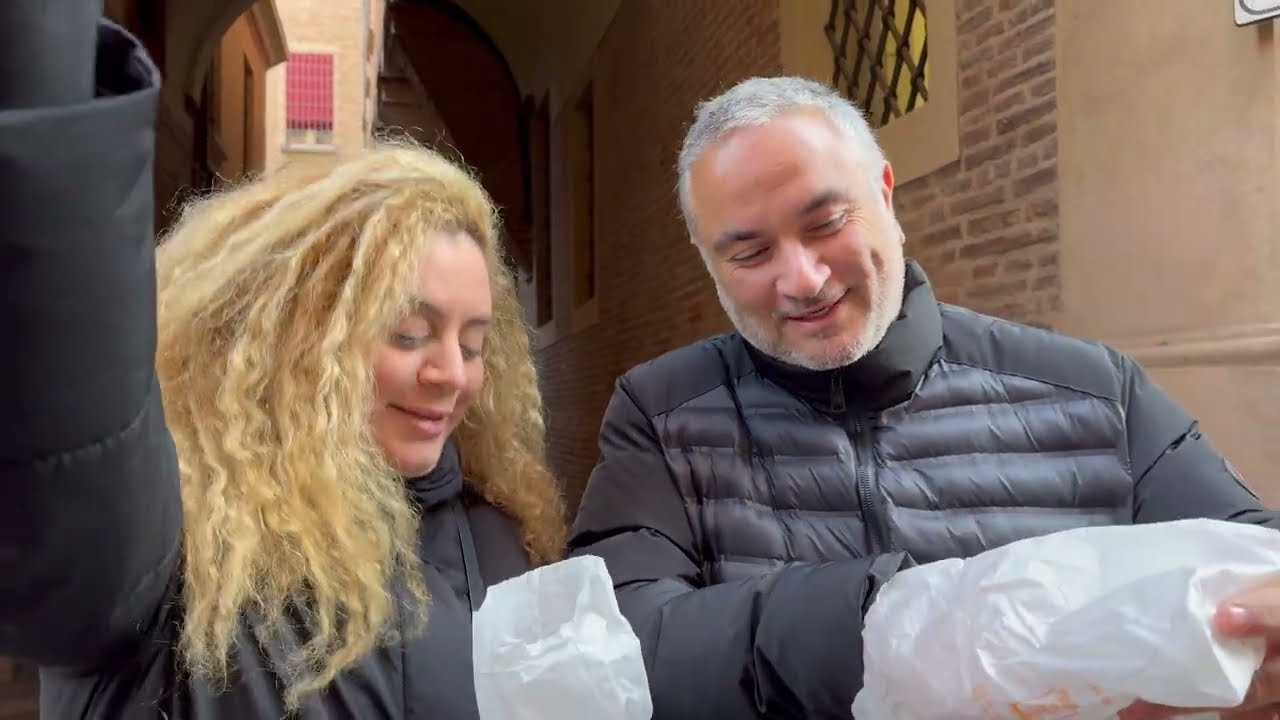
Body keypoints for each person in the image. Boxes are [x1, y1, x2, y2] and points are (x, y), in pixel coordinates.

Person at [566, 74, 1280, 718]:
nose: (804, 279)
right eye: (751, 253)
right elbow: (613, 652)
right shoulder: (660, 416)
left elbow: (1254, 565)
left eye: (826, 224)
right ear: (709, 261)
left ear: (884, 193)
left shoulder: (1099, 393)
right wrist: (886, 622)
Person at [0, 9, 565, 719]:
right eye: (410, 334)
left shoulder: (503, 535)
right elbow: (64, 419)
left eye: (474, 344)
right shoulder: (173, 532)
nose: (452, 373)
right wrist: (45, 73)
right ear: (297, 335)